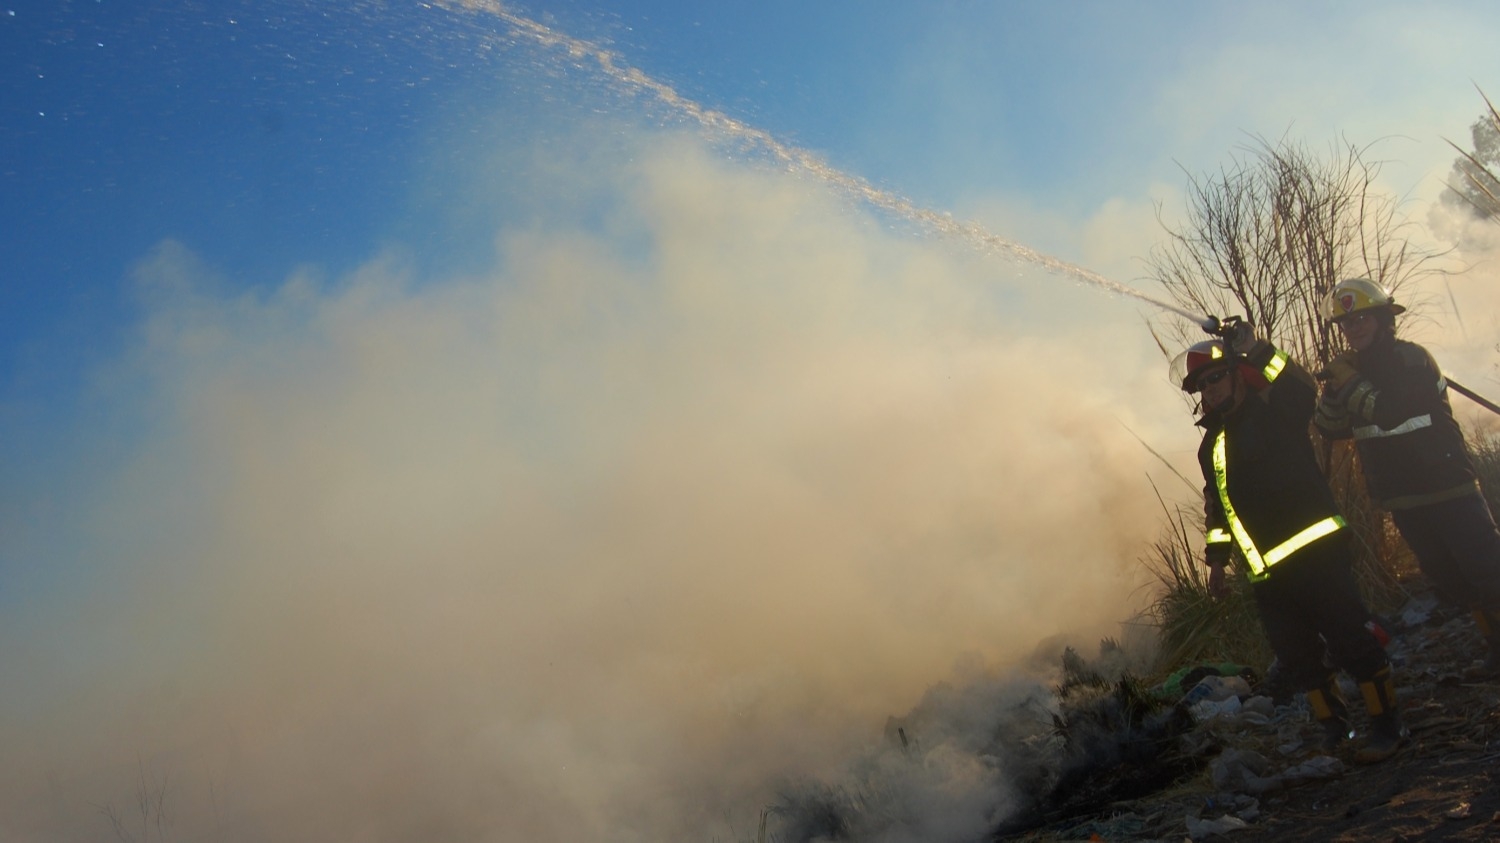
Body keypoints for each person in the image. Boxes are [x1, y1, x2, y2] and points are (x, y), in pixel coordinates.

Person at [1171, 322, 1405, 763]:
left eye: (1216, 377)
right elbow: (1218, 505)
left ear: (1237, 374)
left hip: (1318, 554)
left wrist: (1255, 347)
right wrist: (1217, 560)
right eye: (1202, 385)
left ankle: (1387, 727)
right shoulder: (1212, 446)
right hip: (1267, 574)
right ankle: (1334, 730)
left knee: (1350, 640)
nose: (1210, 390)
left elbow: (1299, 386)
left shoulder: (1276, 411)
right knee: (1298, 657)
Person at [1314, 277, 1500, 677]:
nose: (1353, 328)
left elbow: (1390, 412)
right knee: (1450, 579)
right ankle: (1494, 647)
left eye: (1362, 319)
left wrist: (1350, 382)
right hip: (1403, 497)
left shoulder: (1411, 359)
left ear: (1384, 319)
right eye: (1346, 323)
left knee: (1488, 569)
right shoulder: (1352, 372)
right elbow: (1330, 428)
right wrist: (1333, 392)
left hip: (1448, 485)